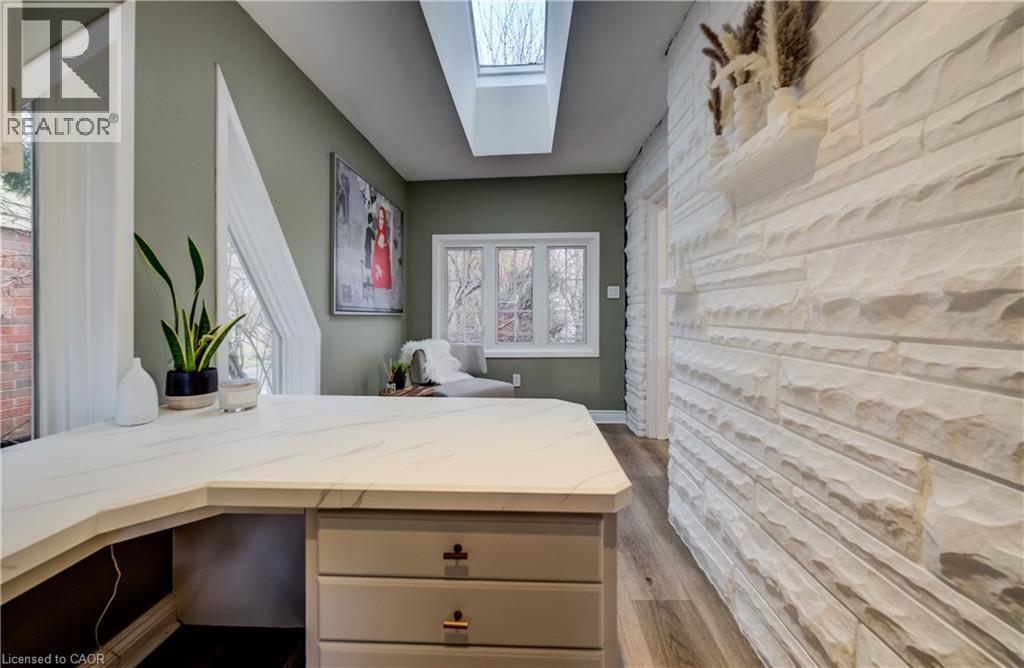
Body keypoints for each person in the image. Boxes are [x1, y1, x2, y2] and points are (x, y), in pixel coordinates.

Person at [370, 206, 393, 289]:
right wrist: (376, 267)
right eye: (379, 218)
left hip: (382, 279)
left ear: (385, 221)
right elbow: (374, 257)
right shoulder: (377, 235)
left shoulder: (386, 240)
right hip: (376, 277)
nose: (380, 221)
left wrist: (380, 268)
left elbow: (386, 262)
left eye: (382, 219)